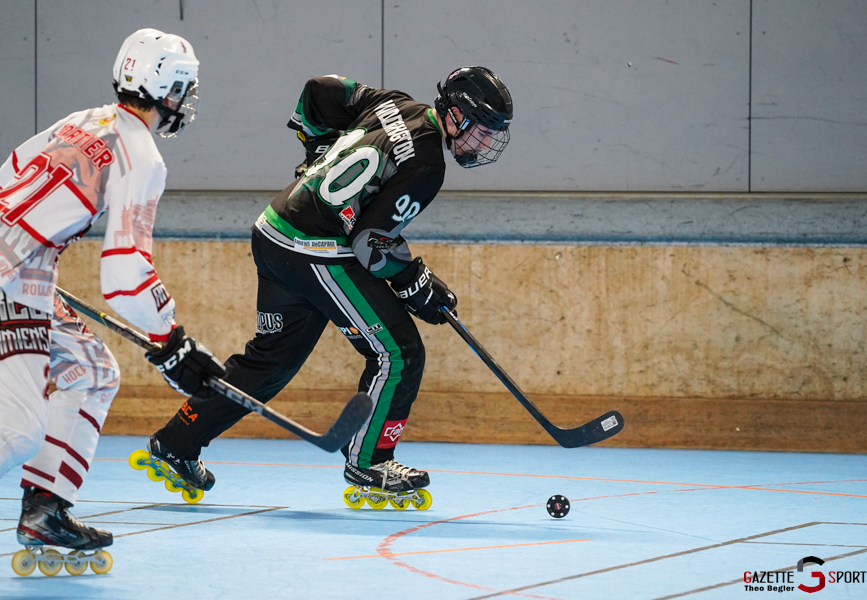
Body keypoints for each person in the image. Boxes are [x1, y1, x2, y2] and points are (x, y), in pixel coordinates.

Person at [147, 67, 513, 502]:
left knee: (272, 361)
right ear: (455, 115)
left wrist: (317, 150)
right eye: (483, 131)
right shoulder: (428, 163)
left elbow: (319, 90)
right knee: (398, 352)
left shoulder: (396, 102)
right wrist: (415, 284)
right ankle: (370, 461)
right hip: (314, 248)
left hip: (274, 229)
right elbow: (369, 242)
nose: (486, 143)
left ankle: (176, 442)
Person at [0, 28, 225, 563]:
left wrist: (33, 257)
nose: (184, 102)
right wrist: (172, 339)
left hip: (24, 275)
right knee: (17, 432)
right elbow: (125, 273)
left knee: (91, 369)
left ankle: (45, 511)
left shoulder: (83, 120)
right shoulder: (142, 154)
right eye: (183, 89)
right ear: (167, 88)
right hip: (13, 281)